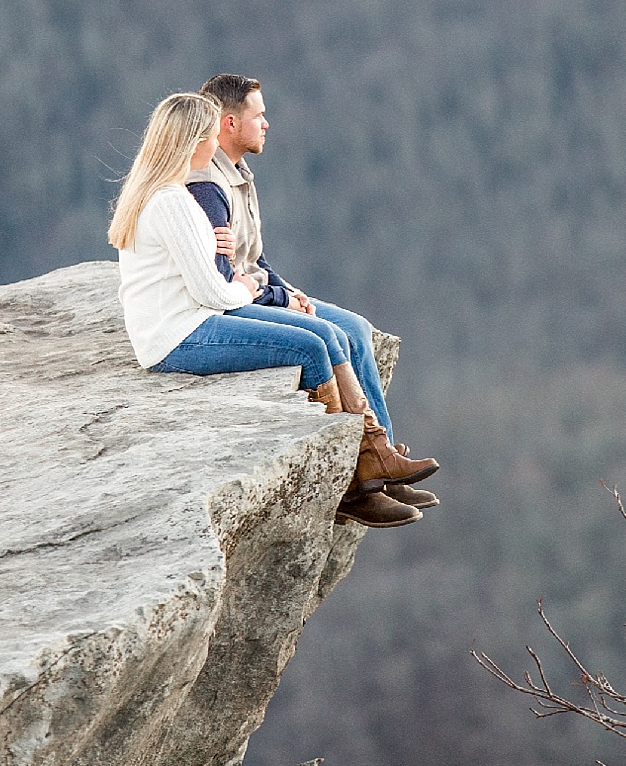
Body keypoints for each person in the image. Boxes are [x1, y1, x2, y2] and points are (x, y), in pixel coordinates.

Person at [109, 91, 428, 528]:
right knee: (310, 348)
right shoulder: (169, 201)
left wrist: (219, 257)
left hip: (192, 319)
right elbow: (214, 292)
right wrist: (240, 285)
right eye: (208, 134)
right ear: (195, 140)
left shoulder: (172, 195)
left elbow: (211, 270)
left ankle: (374, 458)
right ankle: (350, 485)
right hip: (178, 335)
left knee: (330, 335)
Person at [188, 73, 440, 512]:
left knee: (356, 329)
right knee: (328, 336)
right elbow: (223, 277)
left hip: (260, 291)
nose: (267, 124)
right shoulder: (209, 187)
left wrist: (290, 291)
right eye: (258, 116)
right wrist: (284, 302)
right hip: (236, 306)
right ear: (228, 123)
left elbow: (255, 259)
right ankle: (357, 477)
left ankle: (383, 462)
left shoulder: (239, 174)